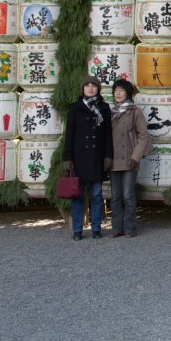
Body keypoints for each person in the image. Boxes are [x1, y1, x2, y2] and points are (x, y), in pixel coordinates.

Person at [62, 75, 112, 240]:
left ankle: (96, 228)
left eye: (94, 86)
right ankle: (77, 230)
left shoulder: (104, 108)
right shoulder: (75, 108)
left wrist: (108, 156)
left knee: (97, 195)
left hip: (97, 158)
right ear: (83, 88)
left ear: (98, 89)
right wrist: (67, 158)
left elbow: (108, 135)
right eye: (87, 86)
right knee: (78, 196)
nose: (90, 88)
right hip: (79, 158)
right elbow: (69, 134)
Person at [108, 79, 151, 238]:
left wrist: (136, 157)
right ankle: (116, 228)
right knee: (116, 195)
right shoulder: (109, 111)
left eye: (121, 90)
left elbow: (143, 135)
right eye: (116, 90)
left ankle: (130, 228)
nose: (118, 93)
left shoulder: (135, 111)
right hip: (112, 159)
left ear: (128, 93)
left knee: (128, 195)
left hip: (129, 159)